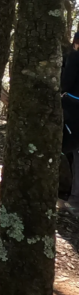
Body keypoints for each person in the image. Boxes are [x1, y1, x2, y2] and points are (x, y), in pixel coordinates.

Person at [60, 31, 79, 212]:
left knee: (70, 148)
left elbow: (65, 83)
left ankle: (74, 199)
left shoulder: (75, 57)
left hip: (73, 109)